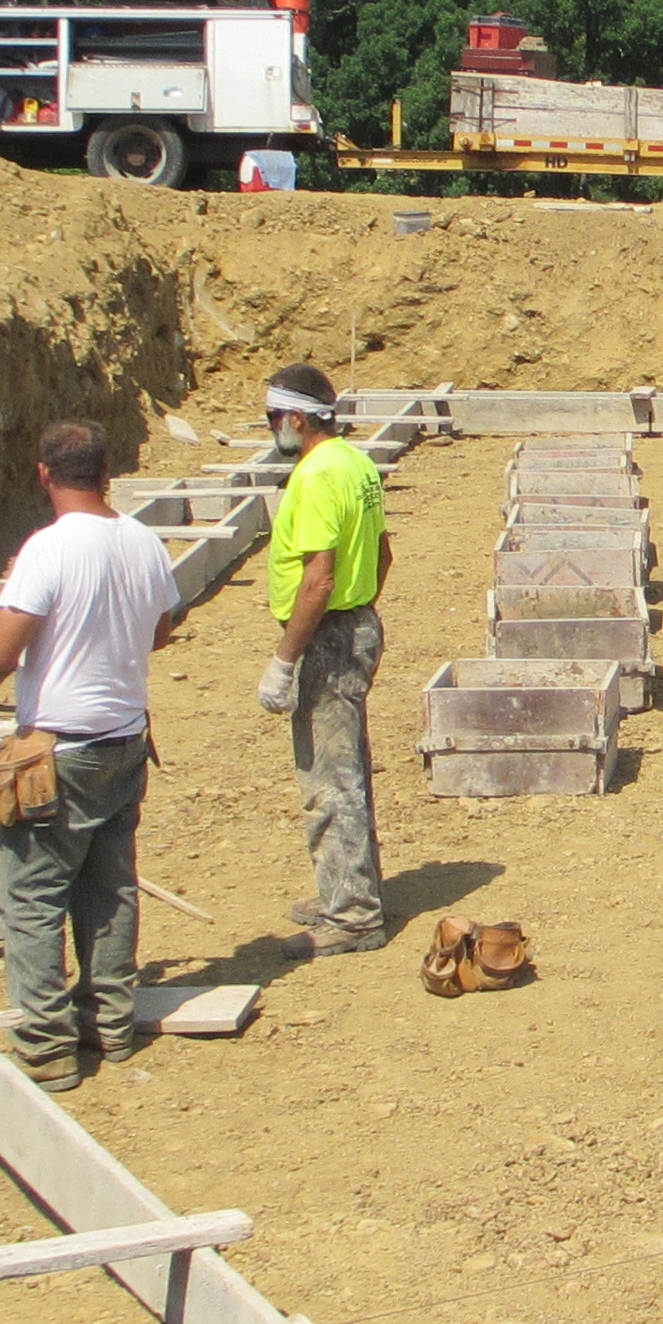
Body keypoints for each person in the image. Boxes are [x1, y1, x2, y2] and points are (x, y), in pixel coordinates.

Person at [0, 419, 180, 1085]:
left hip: (60, 751)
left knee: (32, 896)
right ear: (105, 472)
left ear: (44, 474)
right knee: (109, 887)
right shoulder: (143, 541)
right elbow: (161, 630)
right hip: (125, 740)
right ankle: (110, 1024)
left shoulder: (48, 549)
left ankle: (46, 1047)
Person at [259, 362, 393, 956]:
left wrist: (286, 658)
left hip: (327, 636)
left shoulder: (315, 477)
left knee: (330, 781)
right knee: (346, 768)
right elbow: (383, 554)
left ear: (296, 417)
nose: (271, 428)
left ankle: (353, 915)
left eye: (273, 418)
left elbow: (317, 579)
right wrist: (360, 613)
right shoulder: (355, 463)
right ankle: (346, 885)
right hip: (355, 624)